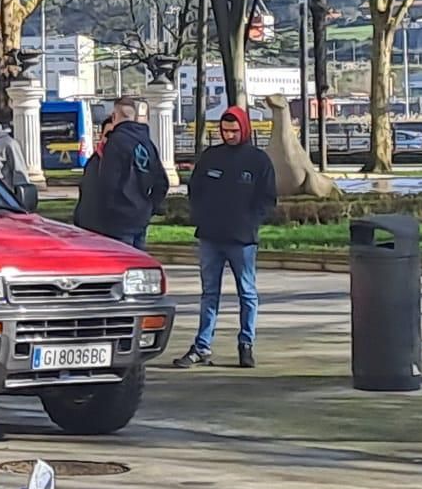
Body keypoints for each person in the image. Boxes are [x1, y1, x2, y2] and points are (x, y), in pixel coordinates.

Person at [173, 106, 276, 369]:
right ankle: (202, 346)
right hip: (210, 236)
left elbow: (267, 198)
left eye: (234, 130)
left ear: (244, 129)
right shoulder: (211, 157)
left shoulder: (258, 160)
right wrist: (201, 215)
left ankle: (246, 343)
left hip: (242, 238)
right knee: (209, 293)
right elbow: (195, 189)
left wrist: (251, 221)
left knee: (247, 292)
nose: (229, 135)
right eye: (225, 130)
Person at [77, 98, 166, 249]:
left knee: (122, 263)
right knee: (139, 264)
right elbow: (162, 182)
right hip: (140, 217)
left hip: (117, 219)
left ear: (114, 116)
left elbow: (108, 182)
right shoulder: (147, 143)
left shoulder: (115, 142)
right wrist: (149, 207)